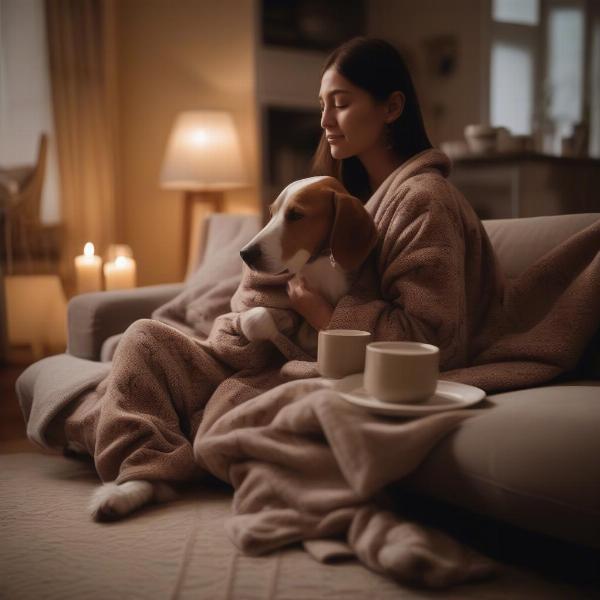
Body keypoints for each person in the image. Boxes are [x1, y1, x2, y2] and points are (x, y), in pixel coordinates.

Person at [287, 36, 503, 373]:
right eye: (322, 106)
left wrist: (322, 316)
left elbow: (430, 340)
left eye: (340, 104)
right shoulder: (343, 198)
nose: (325, 121)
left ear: (392, 108)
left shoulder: (425, 201)